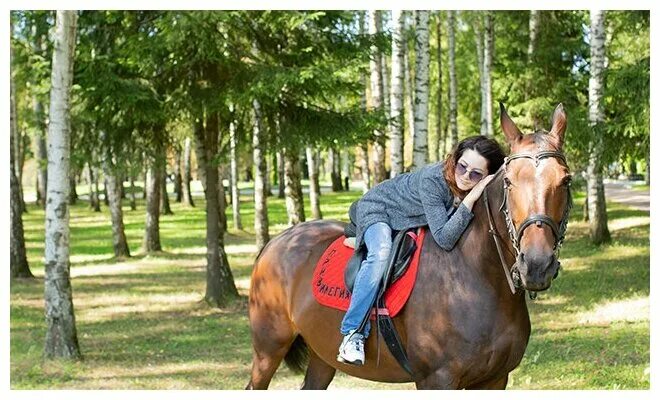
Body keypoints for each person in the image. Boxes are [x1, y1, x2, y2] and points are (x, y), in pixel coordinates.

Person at [337, 135, 506, 366]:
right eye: (462, 166)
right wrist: (474, 195)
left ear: (488, 177)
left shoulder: (468, 183)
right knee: (382, 252)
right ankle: (352, 333)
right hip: (380, 210)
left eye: (476, 174)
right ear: (455, 160)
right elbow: (445, 238)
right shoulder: (433, 181)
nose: (465, 176)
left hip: (408, 217)